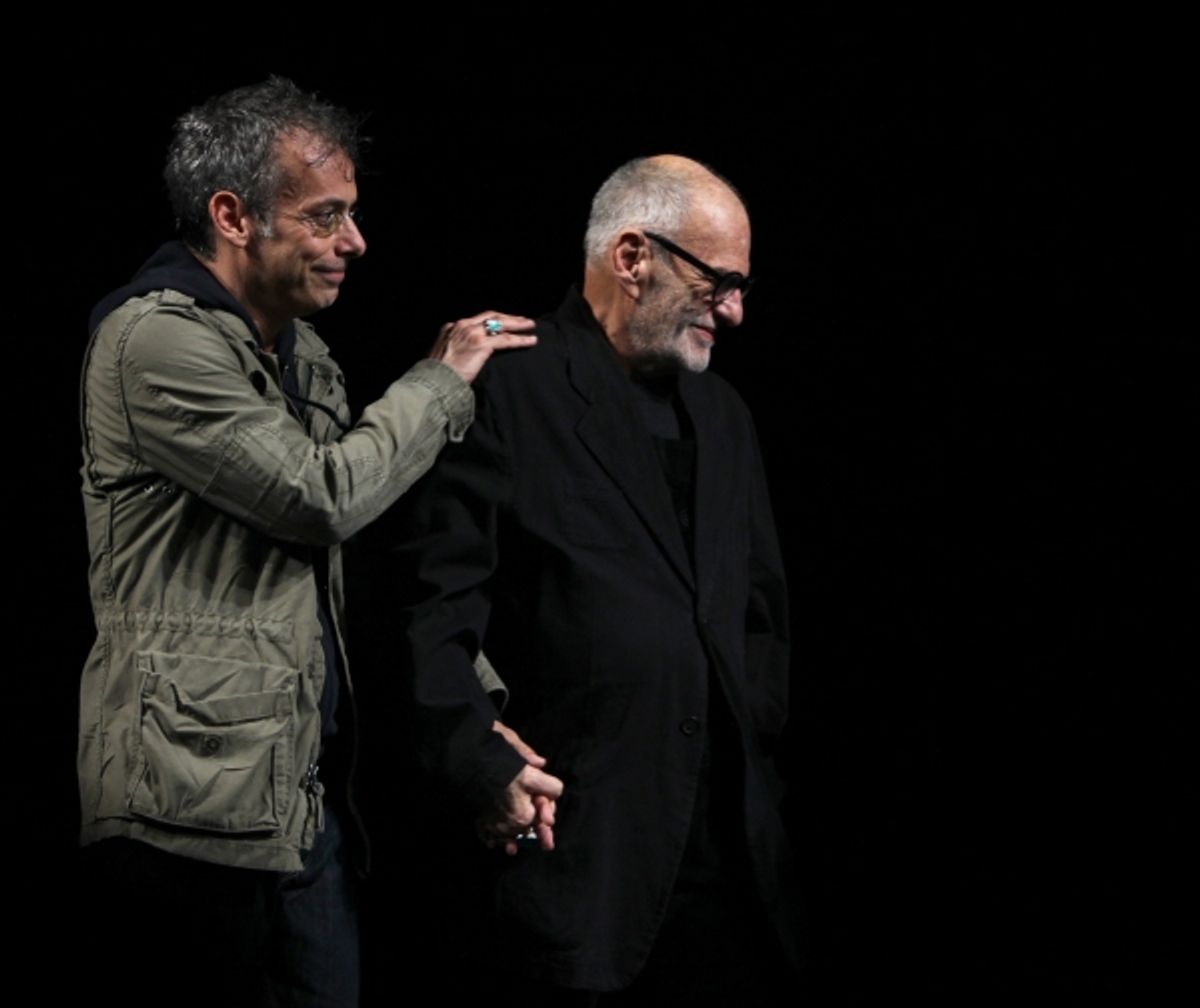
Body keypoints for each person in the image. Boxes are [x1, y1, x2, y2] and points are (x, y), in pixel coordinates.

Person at [75, 76, 542, 1007]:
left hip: (297, 805)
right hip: (186, 813)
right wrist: (441, 382)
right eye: (327, 216)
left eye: (353, 215)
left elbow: (353, 561)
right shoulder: (154, 341)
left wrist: (473, 714)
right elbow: (322, 497)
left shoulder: (298, 353)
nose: (355, 244)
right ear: (232, 215)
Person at [394, 155, 806, 1002]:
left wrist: (753, 729)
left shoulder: (726, 417)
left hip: (730, 876)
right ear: (632, 257)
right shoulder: (507, 386)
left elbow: (760, 614)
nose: (734, 310)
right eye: (719, 281)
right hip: (574, 861)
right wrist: (481, 764)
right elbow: (425, 613)